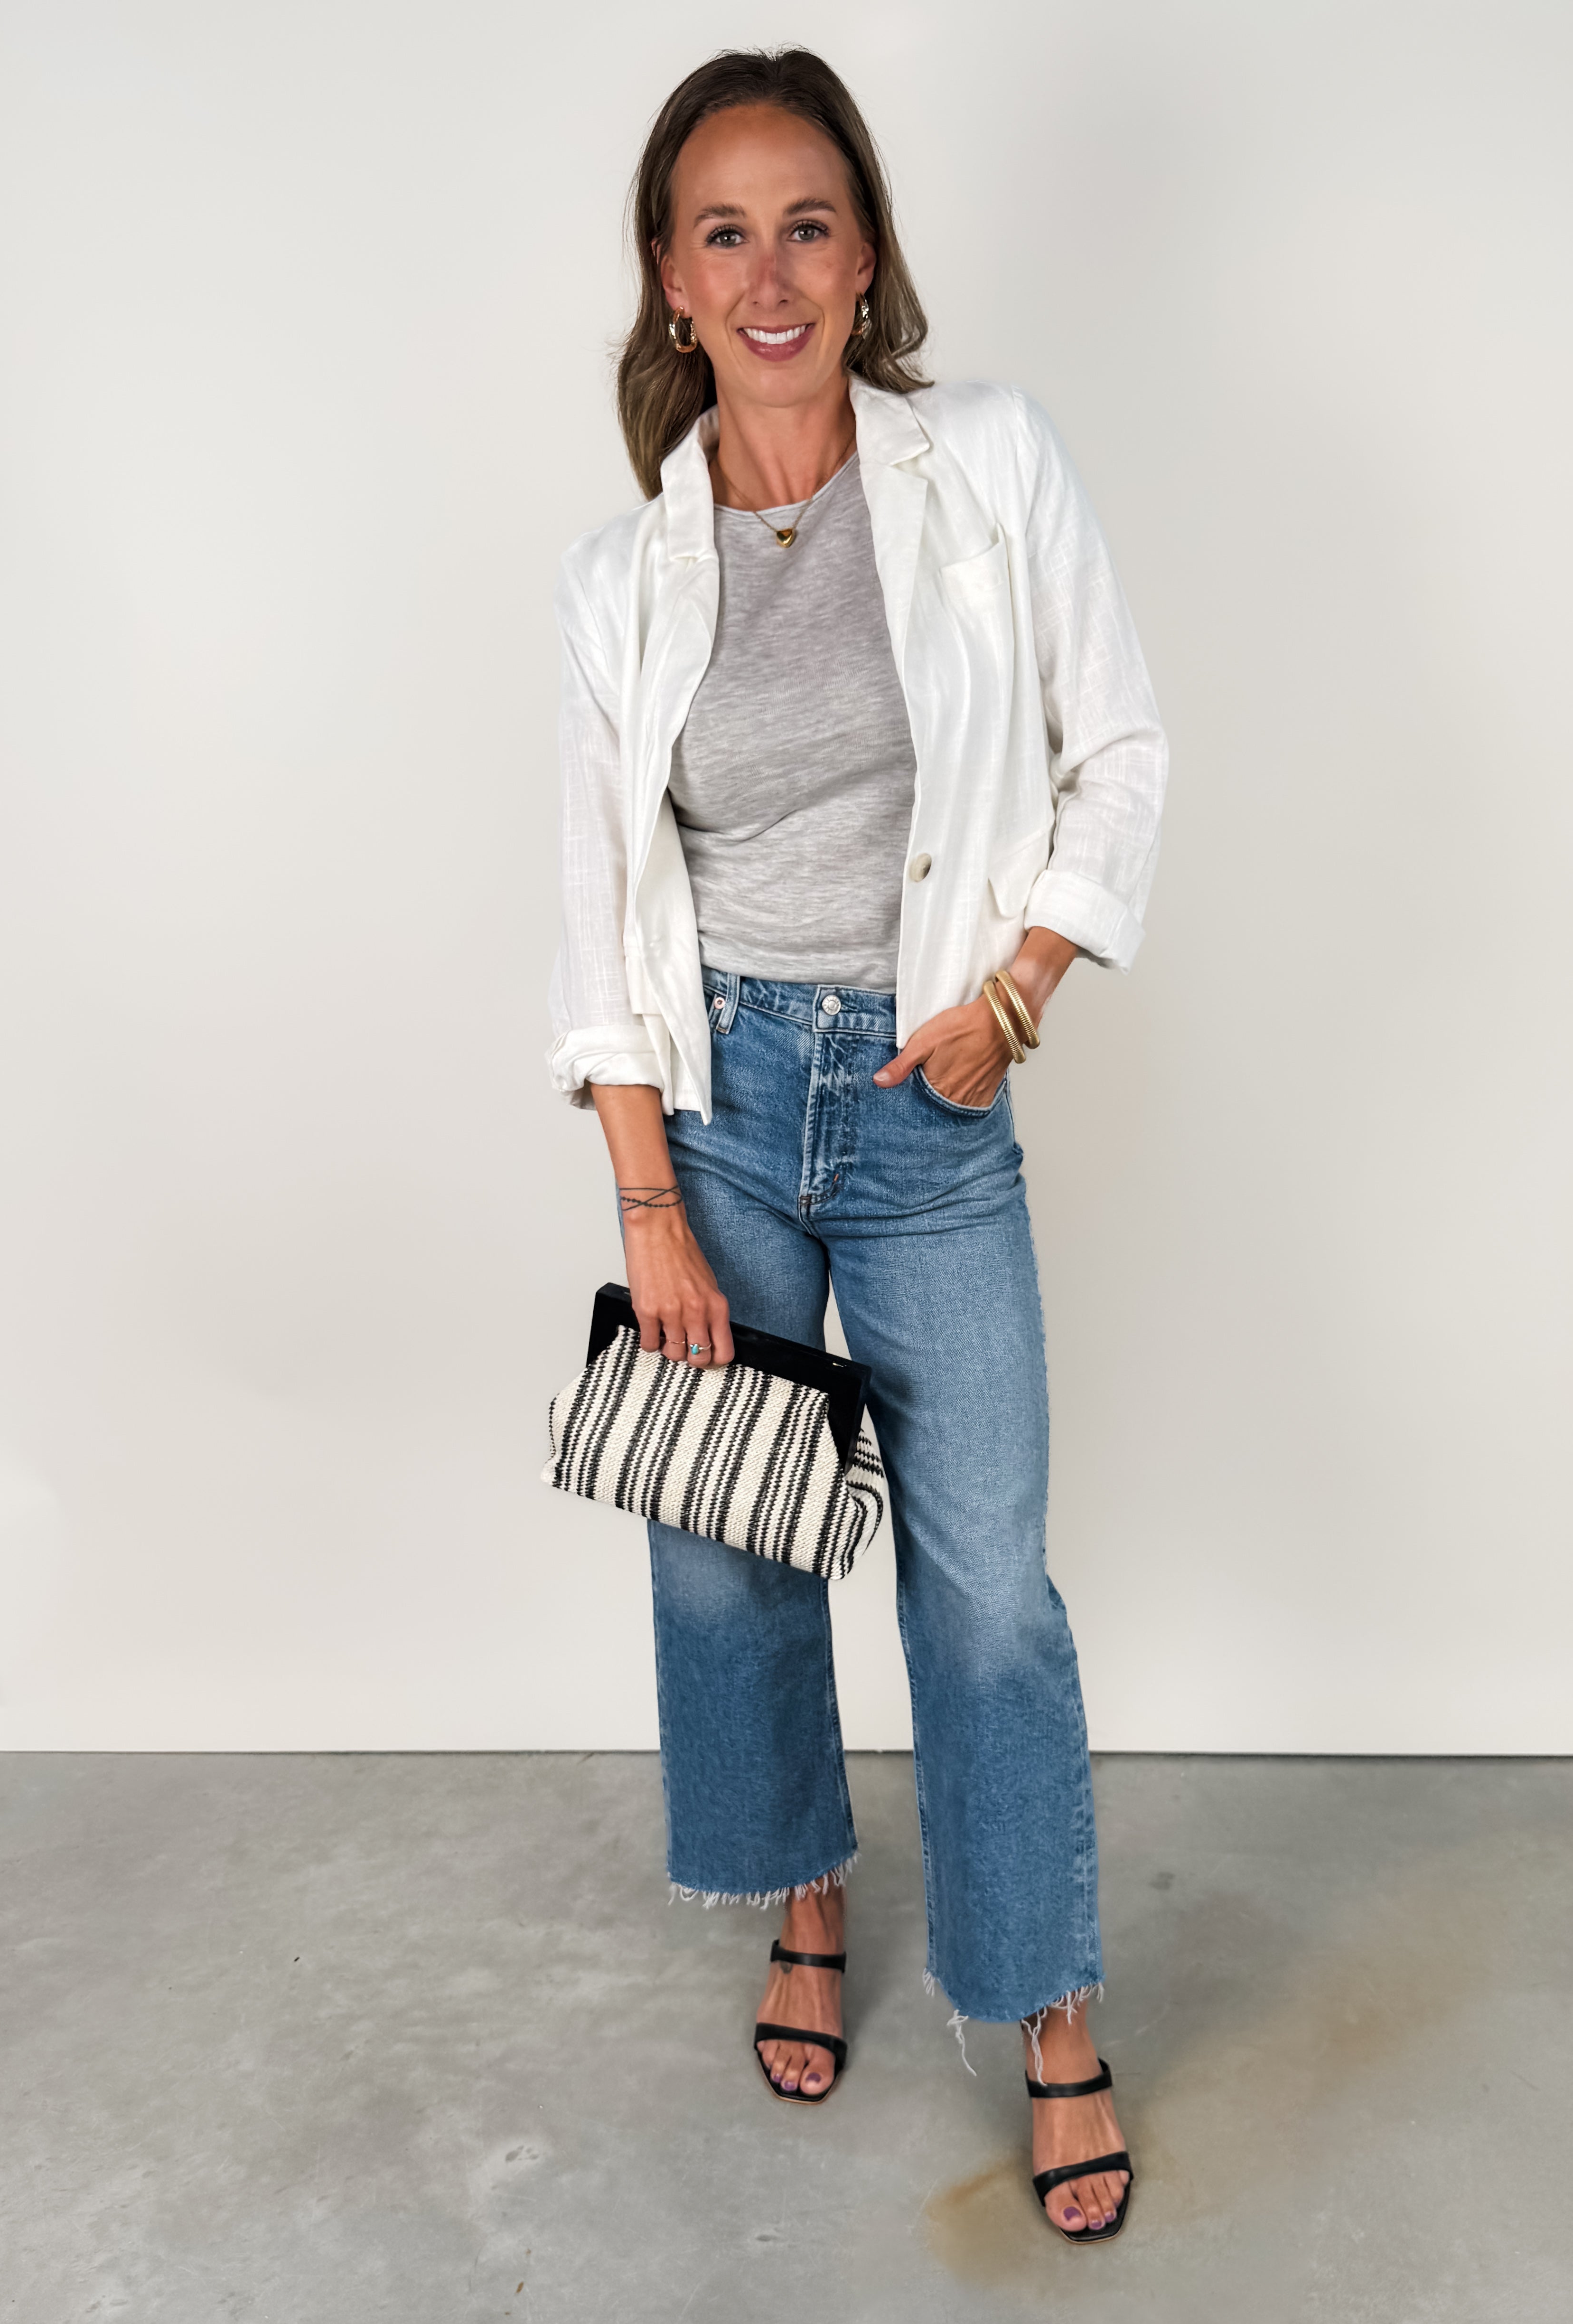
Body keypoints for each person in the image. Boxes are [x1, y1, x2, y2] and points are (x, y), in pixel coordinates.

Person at [548, 46, 1166, 2244]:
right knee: (727, 1544)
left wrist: (1019, 996)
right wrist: (648, 1203)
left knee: (983, 1584)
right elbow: (603, 926)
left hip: (927, 1104)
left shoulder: (985, 464)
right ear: (669, 277)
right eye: (724, 233)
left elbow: (1122, 751)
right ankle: (805, 1893)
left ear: (868, 249)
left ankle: (1048, 2001)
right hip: (717, 1113)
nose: (771, 273)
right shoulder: (624, 578)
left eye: (807, 224)